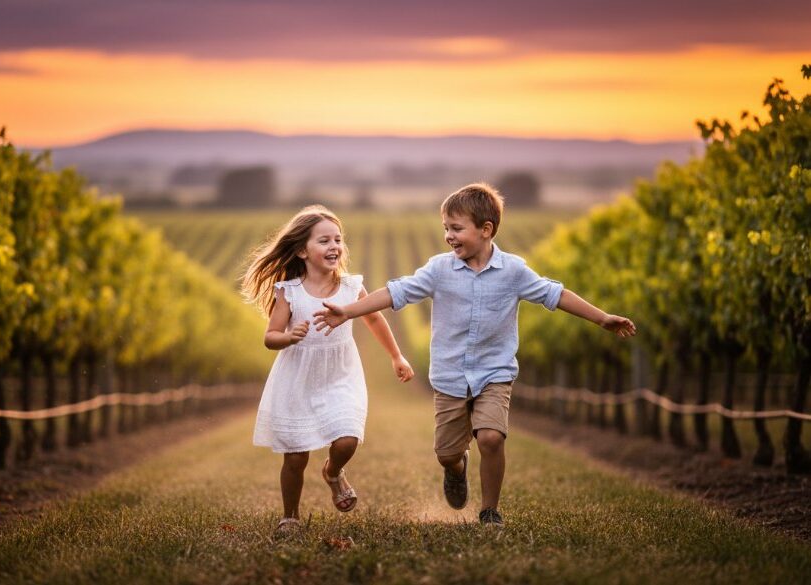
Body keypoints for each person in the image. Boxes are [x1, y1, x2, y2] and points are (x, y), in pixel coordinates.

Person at [314, 184, 636, 527]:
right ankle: (457, 468)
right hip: (450, 376)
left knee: (491, 437)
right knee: (447, 453)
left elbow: (555, 294)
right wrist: (348, 311)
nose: (448, 236)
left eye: (456, 228)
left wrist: (602, 318)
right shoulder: (439, 269)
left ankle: (490, 511)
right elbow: (396, 292)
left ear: (486, 229)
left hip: (495, 373)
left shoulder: (513, 271)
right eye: (446, 228)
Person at [242, 205, 414, 534]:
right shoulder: (289, 292)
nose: (334, 246)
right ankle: (290, 516)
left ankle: (333, 472)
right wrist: (288, 337)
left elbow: (374, 319)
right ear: (302, 251)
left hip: (340, 375)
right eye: (324, 241)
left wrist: (397, 356)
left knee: (347, 439)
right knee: (295, 457)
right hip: (298, 379)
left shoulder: (351, 287)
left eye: (338, 239)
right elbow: (270, 337)